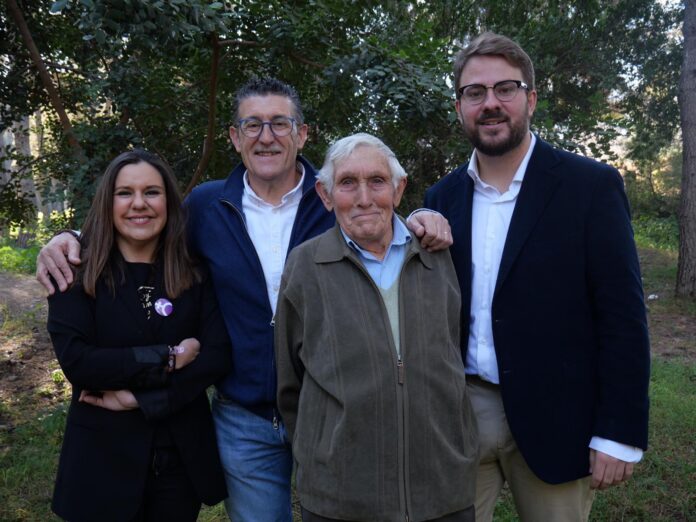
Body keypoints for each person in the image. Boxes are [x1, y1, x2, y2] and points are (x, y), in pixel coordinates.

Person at [36, 78, 452, 521]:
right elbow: (146, 226)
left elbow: (379, 219)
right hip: (244, 420)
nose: (266, 136)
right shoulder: (207, 206)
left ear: (302, 134)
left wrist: (424, 216)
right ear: (235, 137)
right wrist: (71, 236)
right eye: (253, 125)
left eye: (279, 123)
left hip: (331, 409)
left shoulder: (334, 198)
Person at [423, 32, 651, 521]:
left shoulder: (590, 187)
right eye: (475, 92)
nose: (490, 103)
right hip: (463, 414)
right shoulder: (441, 198)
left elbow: (623, 316)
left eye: (505, 88)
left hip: (560, 413)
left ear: (530, 98)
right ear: (459, 107)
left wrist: (619, 431)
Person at [275, 133, 478, 522]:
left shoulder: (438, 254)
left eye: (377, 181)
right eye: (348, 183)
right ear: (326, 195)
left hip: (442, 490)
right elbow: (290, 381)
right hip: (341, 497)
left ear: (399, 190)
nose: (364, 198)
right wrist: (321, 450)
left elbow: (456, 349)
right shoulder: (304, 266)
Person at [46, 149, 232, 522]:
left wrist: (142, 399)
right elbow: (79, 363)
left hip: (178, 464)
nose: (139, 204)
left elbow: (216, 355)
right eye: (124, 193)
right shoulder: (75, 271)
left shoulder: (195, 271)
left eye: (151, 192)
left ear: (169, 201)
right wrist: (167, 357)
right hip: (100, 462)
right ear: (108, 202)